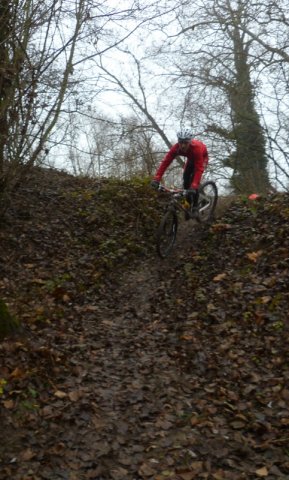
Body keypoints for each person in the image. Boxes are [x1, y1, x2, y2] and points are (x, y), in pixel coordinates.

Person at [151, 129, 208, 218]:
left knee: (193, 181)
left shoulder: (196, 148)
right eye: (181, 142)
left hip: (202, 157)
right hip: (191, 159)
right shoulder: (176, 148)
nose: (183, 145)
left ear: (190, 142)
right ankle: (188, 204)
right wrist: (157, 178)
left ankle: (196, 206)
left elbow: (199, 169)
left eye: (185, 143)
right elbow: (165, 162)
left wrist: (194, 185)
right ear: (178, 142)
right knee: (185, 180)